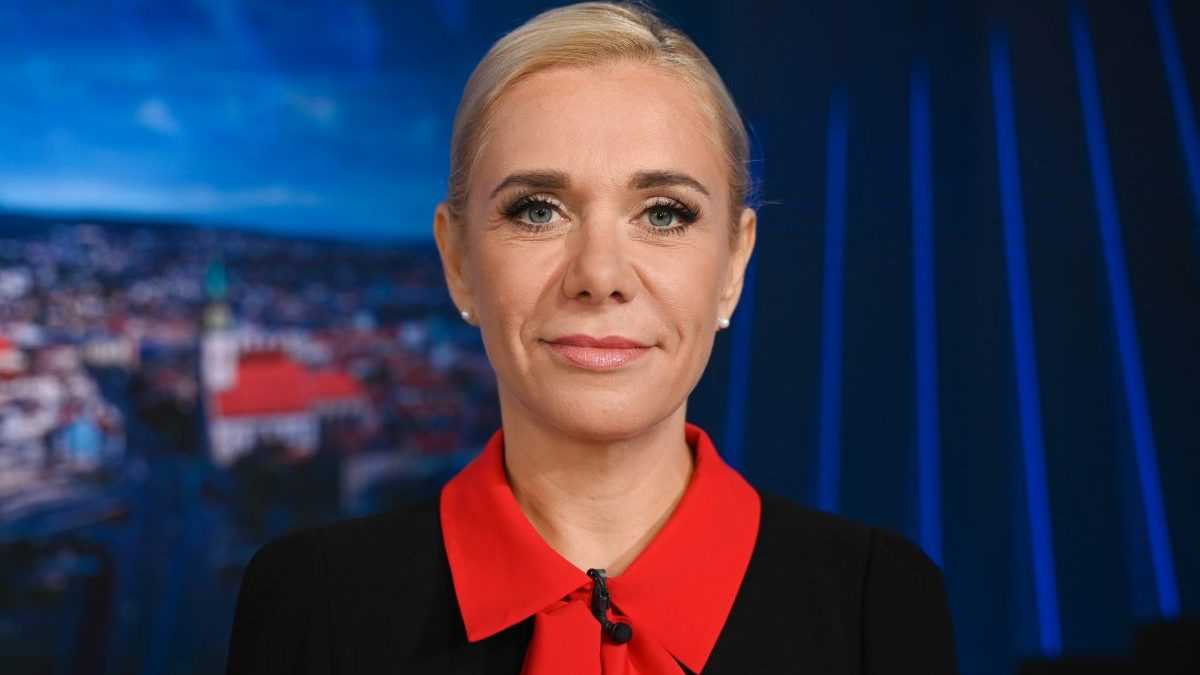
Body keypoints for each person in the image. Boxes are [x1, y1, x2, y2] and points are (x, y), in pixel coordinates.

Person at [224, 2, 958, 673]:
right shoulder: (309, 602)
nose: (599, 275)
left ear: (734, 264)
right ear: (459, 263)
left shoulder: (879, 602)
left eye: (664, 213)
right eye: (538, 210)